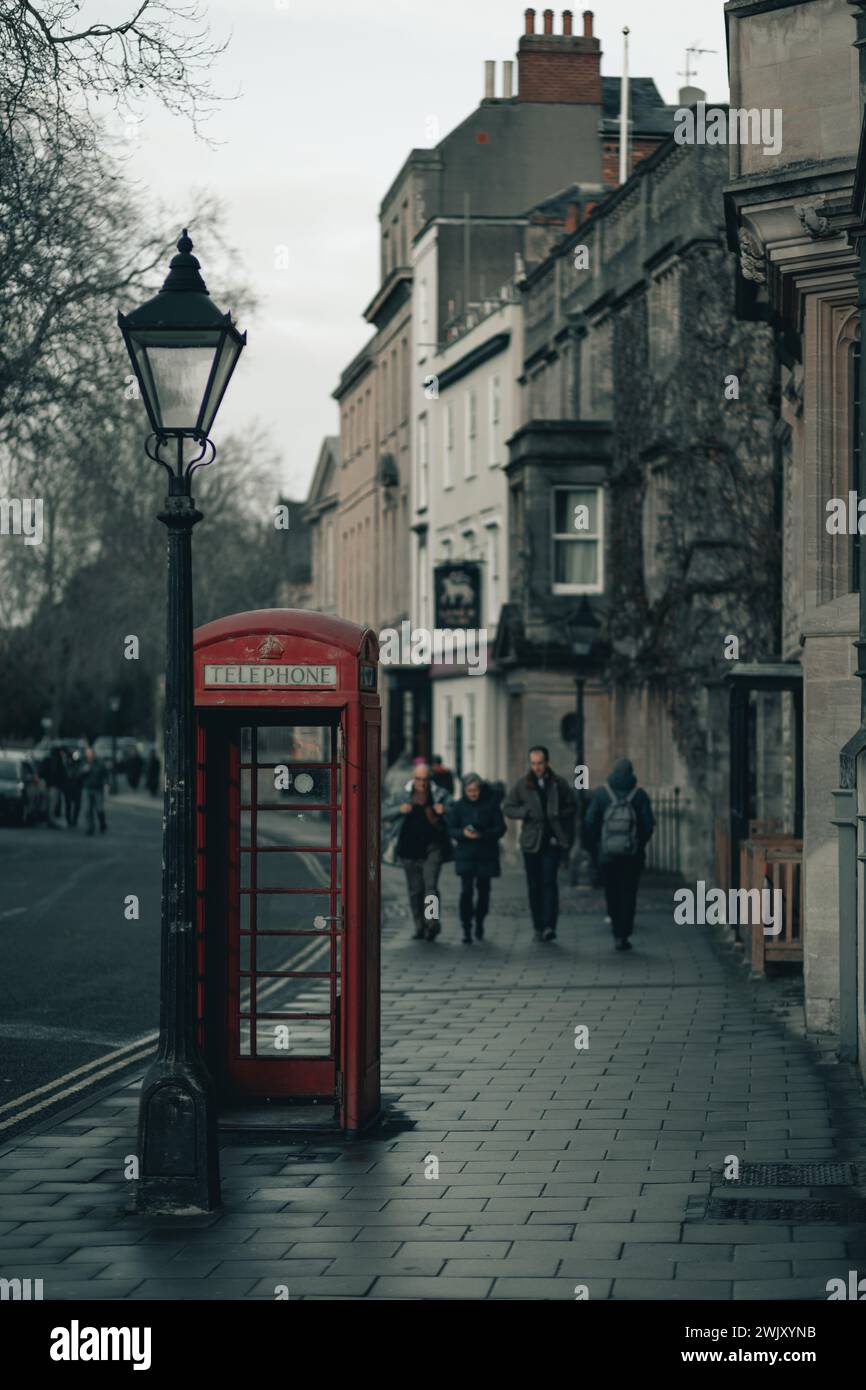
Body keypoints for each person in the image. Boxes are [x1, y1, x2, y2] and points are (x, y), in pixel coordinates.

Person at [503, 746, 576, 942]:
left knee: (549, 882)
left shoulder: (558, 783)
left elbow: (572, 805)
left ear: (547, 763)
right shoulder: (523, 784)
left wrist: (559, 815)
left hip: (552, 841)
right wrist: (524, 812)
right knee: (534, 885)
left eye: (540, 763)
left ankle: (550, 926)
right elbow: (508, 807)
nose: (537, 767)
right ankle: (538, 925)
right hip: (531, 842)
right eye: (533, 763)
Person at [584, 758, 655, 951]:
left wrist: (599, 845)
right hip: (631, 856)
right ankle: (624, 933)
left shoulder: (601, 794)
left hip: (607, 854)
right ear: (631, 773)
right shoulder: (639, 795)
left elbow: (590, 822)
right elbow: (648, 825)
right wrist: (637, 844)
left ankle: (616, 930)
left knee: (611, 892)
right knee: (629, 893)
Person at [382, 763, 451, 941]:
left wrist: (444, 811)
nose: (422, 783)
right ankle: (419, 925)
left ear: (430, 779)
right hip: (408, 849)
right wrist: (400, 809)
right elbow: (382, 812)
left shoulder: (440, 795)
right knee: (415, 890)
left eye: (425, 779)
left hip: (433, 848)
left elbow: (455, 813)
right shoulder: (402, 795)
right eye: (419, 779)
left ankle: (432, 922)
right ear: (413, 779)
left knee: (431, 887)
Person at [445, 772, 506, 944]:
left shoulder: (491, 805)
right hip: (466, 855)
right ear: (464, 790)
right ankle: (466, 926)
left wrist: (483, 834)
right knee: (466, 892)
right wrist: (463, 834)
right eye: (469, 790)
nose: (473, 793)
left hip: (486, 854)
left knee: (484, 892)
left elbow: (500, 828)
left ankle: (480, 921)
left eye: (475, 790)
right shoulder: (458, 807)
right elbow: (451, 829)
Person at [80, 744, 109, 835]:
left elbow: (105, 774)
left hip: (97, 789)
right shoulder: (83, 763)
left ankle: (102, 824)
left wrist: (107, 784)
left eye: (91, 753)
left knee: (99, 809)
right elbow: (78, 776)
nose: (89, 755)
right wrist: (83, 772)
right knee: (87, 809)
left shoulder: (99, 763)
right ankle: (90, 828)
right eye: (88, 754)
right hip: (87, 788)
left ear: (93, 754)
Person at [63, 748, 83, 827]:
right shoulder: (66, 765)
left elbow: (80, 774)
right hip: (68, 788)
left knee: (77, 805)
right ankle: (69, 821)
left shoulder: (78, 764)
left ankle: (74, 820)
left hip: (77, 787)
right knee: (68, 805)